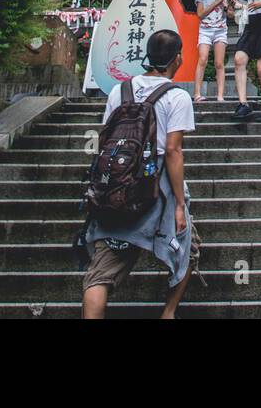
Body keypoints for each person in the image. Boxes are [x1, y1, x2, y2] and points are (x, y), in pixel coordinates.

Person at [81, 29, 195, 319]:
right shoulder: (177, 96)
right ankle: (168, 313)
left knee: (103, 269)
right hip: (157, 186)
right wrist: (180, 204)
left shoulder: (121, 90)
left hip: (118, 182)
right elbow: (173, 150)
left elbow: (108, 136)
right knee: (187, 247)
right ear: (177, 58)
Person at [193, 0, 234, 103]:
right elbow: (200, 14)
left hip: (220, 31)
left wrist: (227, 8)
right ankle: (197, 93)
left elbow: (231, 16)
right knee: (203, 59)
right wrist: (215, 3)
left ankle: (220, 95)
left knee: (219, 63)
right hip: (205, 30)